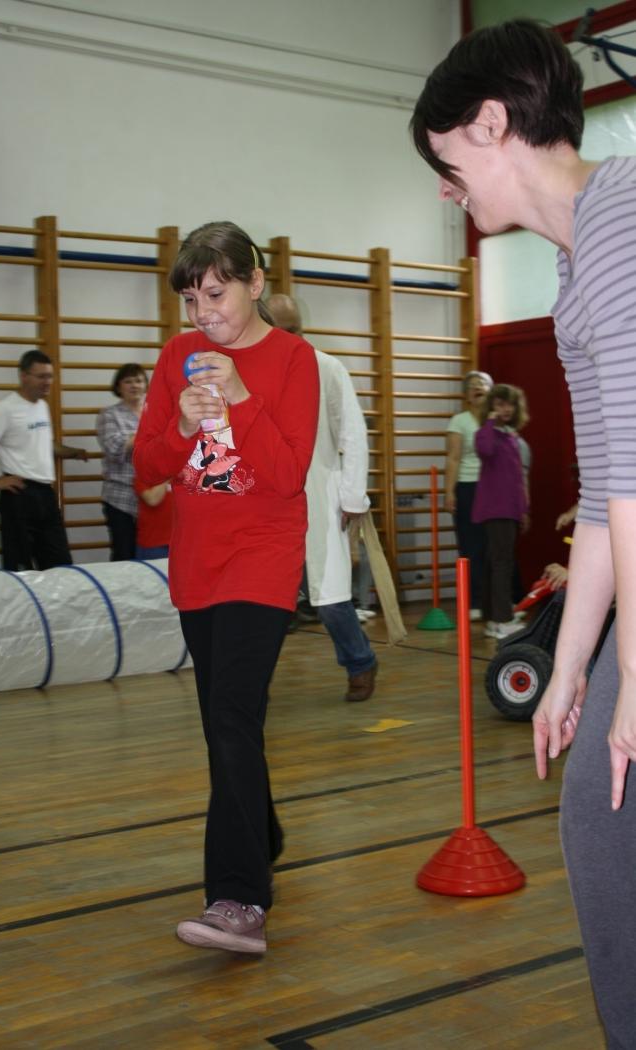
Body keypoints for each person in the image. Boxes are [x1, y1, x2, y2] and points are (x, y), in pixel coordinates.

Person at [412, 19, 636, 1044]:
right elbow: (605, 493)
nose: (445, 191)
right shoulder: (573, 268)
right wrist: (571, 668)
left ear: (492, 123)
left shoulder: (620, 220)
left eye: (446, 162)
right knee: (595, 809)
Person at [133, 221, 319, 955]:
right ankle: (261, 832)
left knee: (232, 719)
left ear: (255, 283)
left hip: (262, 561)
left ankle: (239, 897)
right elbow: (147, 466)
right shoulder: (174, 356)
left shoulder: (294, 360)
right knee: (225, 721)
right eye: (191, 299)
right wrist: (181, 427)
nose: (202, 312)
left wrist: (240, 396)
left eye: (216, 294)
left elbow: (287, 474)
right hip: (198, 565)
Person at [267, 293, 378, 702]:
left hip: (318, 497)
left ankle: (360, 662)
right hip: (266, 503)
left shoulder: (326, 368)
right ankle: (253, 680)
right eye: (280, 330)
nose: (290, 337)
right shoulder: (247, 370)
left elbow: (353, 434)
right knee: (264, 600)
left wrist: (352, 498)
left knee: (330, 597)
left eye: (295, 329)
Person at [0, 349, 87, 571]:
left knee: (59, 566)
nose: (47, 382)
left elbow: (44, 444)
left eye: (50, 376)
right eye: (41, 376)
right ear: (24, 376)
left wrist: (72, 452)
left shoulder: (42, 406)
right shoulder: (6, 409)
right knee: (21, 569)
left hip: (45, 494)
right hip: (19, 495)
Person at [473, 383, 530, 640]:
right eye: (500, 404)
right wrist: (489, 422)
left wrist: (523, 510)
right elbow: (485, 450)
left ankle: (494, 614)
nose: (506, 409)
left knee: (496, 562)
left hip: (509, 509)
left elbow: (517, 479)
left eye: (510, 405)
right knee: (501, 564)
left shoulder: (511, 436)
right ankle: (500, 620)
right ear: (491, 407)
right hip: (496, 509)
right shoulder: (487, 434)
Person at [445, 370, 493, 620]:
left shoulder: (498, 419)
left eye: (482, 384)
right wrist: (449, 492)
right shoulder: (459, 421)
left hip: (494, 490)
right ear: (466, 395)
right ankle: (473, 601)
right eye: (472, 385)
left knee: (493, 547)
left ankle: (497, 601)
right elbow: (453, 458)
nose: (477, 387)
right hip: (468, 487)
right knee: (470, 546)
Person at [96, 363, 148, 560]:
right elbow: (114, 447)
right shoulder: (109, 414)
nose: (134, 385)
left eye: (139, 380)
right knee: (124, 555)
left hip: (154, 497)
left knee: (152, 555)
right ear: (118, 386)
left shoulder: (156, 411)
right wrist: (148, 434)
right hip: (120, 498)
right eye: (128, 381)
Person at [133, 475, 173, 560]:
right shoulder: (143, 475)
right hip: (153, 545)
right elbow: (153, 500)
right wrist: (168, 475)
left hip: (178, 544)